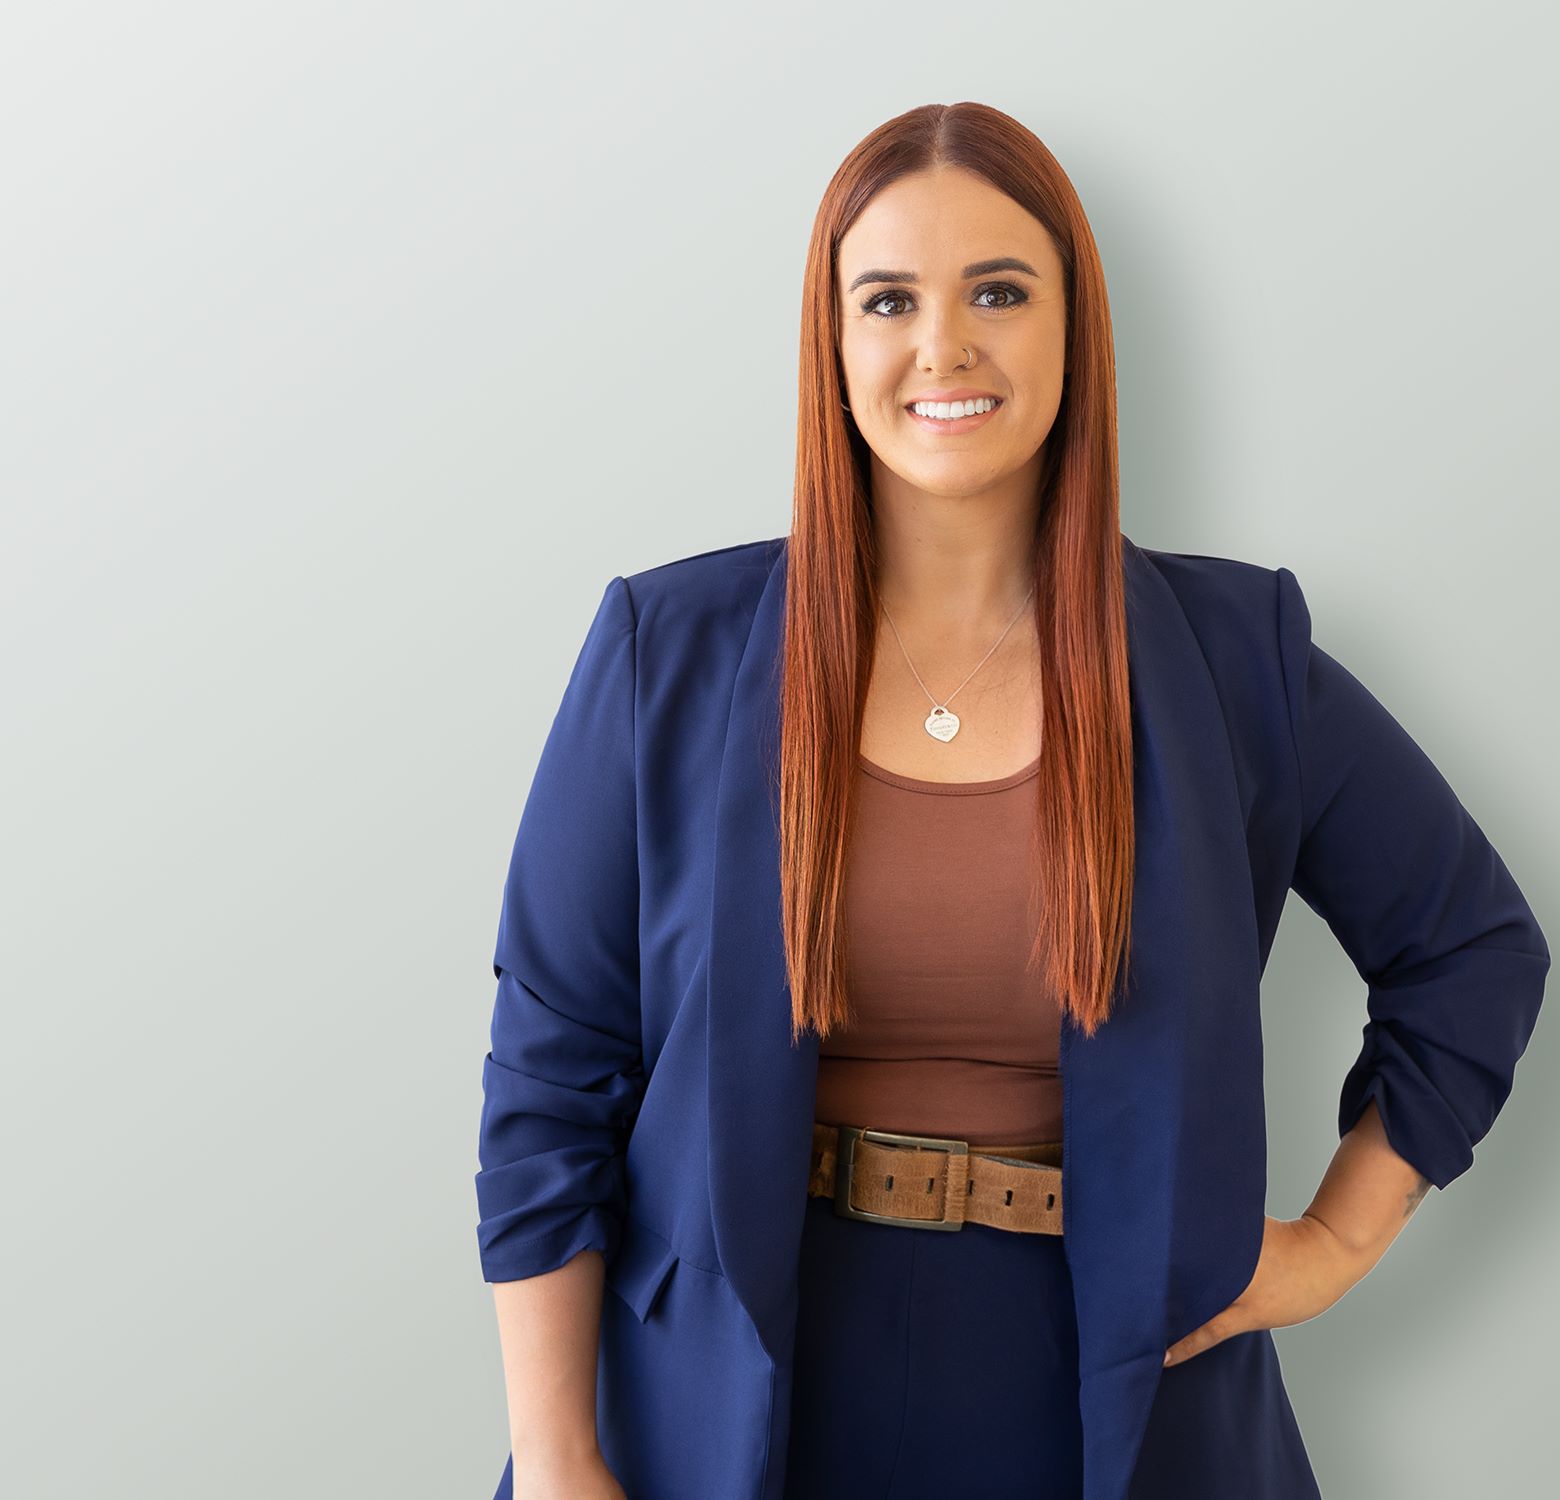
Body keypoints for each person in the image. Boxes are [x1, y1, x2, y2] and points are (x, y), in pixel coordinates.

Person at [473, 101, 1550, 1500]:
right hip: (734, 1399)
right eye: (889, 300)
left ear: (1074, 329)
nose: (943, 346)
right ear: (831, 343)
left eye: (997, 292)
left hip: (1113, 1391)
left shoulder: (1241, 662)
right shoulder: (660, 653)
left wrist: (1338, 1243)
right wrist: (562, 1460)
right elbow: (551, 1075)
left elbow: (1474, 950)